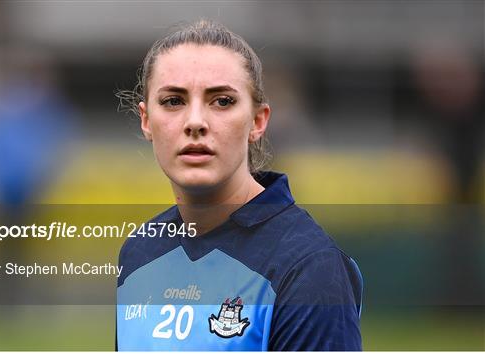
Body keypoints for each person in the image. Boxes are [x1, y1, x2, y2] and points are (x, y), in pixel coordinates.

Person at [116, 19, 363, 351]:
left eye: (222, 101)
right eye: (174, 101)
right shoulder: (139, 252)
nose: (195, 123)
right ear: (146, 120)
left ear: (257, 121)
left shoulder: (309, 266)